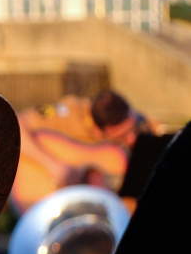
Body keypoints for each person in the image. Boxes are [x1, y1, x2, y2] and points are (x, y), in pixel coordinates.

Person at [10, 89, 161, 214]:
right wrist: (54, 166)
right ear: (97, 131)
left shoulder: (140, 121)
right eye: (122, 136)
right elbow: (15, 127)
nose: (132, 139)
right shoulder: (69, 112)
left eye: (133, 129)